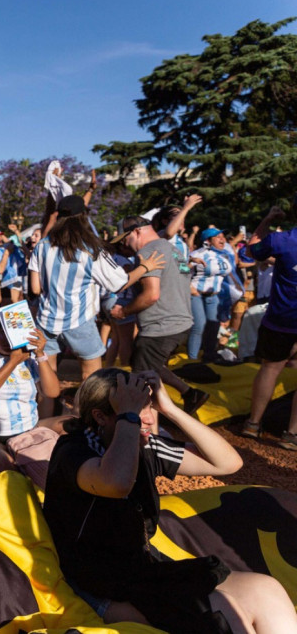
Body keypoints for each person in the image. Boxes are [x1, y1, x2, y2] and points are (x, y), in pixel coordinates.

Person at [43, 368, 296, 633]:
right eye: (139, 410)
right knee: (221, 611)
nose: (150, 419)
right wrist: (130, 416)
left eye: (149, 407)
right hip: (95, 585)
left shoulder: (146, 445)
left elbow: (228, 463)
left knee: (266, 589)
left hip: (143, 572)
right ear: (100, 417)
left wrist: (170, 409)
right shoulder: (74, 451)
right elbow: (116, 483)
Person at [29, 195, 164, 381]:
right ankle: (83, 411)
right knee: (91, 378)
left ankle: (47, 410)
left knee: (46, 377)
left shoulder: (42, 246)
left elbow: (35, 288)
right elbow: (119, 283)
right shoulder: (90, 249)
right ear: (83, 216)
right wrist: (145, 268)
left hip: (46, 321)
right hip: (79, 320)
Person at [110, 215, 210, 415]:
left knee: (140, 379)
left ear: (136, 231)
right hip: (179, 321)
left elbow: (151, 295)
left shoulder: (148, 252)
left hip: (161, 325)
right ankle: (189, 393)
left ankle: (142, 427)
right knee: (149, 365)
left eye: (125, 239)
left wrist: (124, 310)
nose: (125, 245)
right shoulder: (171, 248)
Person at [0, 317, 61, 470]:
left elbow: (53, 391)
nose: (7, 341)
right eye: (3, 333)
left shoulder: (28, 357)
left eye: (13, 336)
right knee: (4, 464)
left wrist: (41, 354)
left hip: (28, 429)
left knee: (71, 424)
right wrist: (12, 362)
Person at [242, 206, 297, 450]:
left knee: (270, 369)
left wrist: (267, 218)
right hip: (282, 320)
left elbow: (251, 249)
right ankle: (291, 435)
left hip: (279, 320)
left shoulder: (281, 240)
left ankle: (253, 424)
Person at [188, 228, 235, 362]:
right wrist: (189, 287)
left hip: (213, 296)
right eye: (218, 237)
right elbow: (182, 270)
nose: (222, 239)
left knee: (213, 326)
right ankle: (192, 360)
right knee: (199, 325)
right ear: (208, 240)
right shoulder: (198, 254)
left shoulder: (224, 255)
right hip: (197, 294)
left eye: (223, 236)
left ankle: (209, 356)